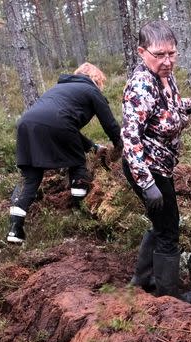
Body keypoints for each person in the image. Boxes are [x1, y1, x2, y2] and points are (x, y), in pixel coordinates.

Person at [121, 21, 191, 302]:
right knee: (169, 230)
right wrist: (147, 183)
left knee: (160, 223)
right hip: (147, 168)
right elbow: (130, 139)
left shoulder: (164, 78)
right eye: (159, 54)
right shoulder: (141, 86)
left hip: (158, 167)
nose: (167, 61)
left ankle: (142, 278)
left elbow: (172, 107)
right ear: (142, 52)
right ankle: (169, 297)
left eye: (172, 54)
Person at [7, 62, 122, 244]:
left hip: (26, 125)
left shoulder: (59, 89)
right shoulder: (91, 90)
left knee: (31, 179)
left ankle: (15, 230)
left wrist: (93, 147)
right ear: (96, 79)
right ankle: (80, 211)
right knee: (77, 164)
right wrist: (121, 144)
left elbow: (61, 124)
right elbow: (109, 124)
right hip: (58, 124)